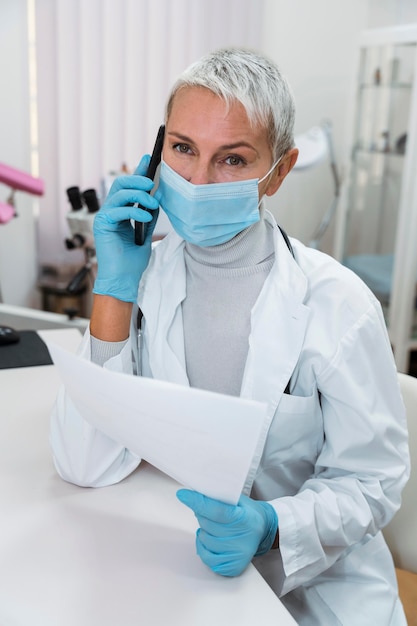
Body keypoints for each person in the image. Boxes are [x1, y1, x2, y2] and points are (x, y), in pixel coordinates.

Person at [50, 48, 409, 625]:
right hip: (185, 578)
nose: (196, 179)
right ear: (157, 151)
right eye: (183, 148)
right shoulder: (145, 276)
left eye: (233, 159)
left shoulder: (338, 305)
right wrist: (114, 285)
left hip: (316, 589)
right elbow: (84, 462)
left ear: (280, 171)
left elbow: (372, 483)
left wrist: (272, 527)